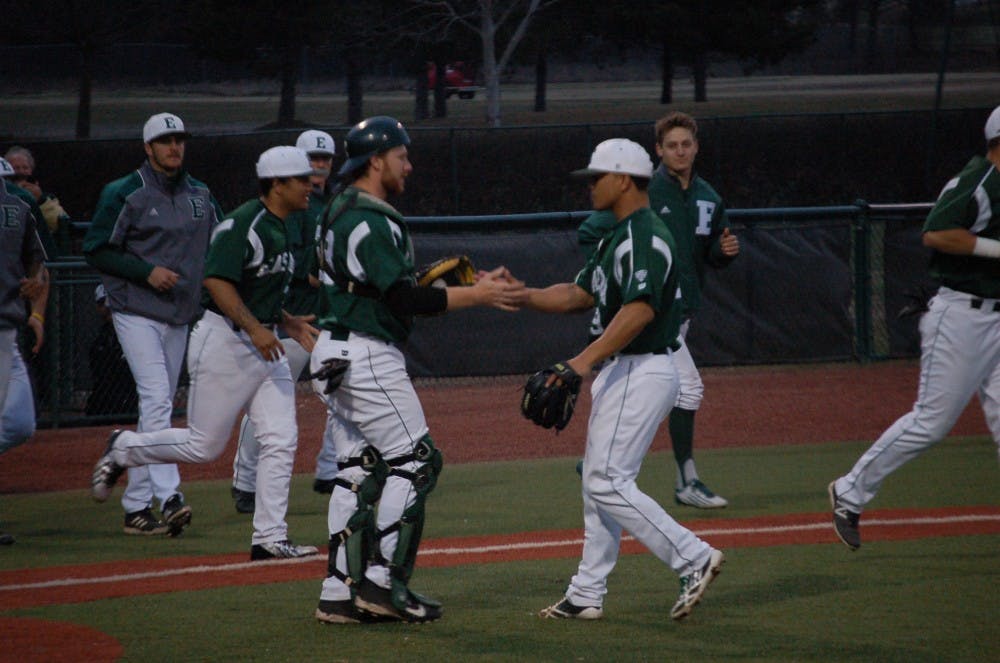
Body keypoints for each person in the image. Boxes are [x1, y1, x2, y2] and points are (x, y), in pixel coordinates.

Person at [310, 116, 524, 624]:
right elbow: (404, 297)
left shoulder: (337, 210)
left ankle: (338, 591)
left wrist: (444, 283)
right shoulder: (372, 216)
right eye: (402, 155)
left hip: (331, 348)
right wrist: (480, 294)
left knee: (357, 470)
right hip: (365, 352)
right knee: (417, 461)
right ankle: (383, 584)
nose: (409, 164)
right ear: (377, 160)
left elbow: (378, 285)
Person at [521, 138, 724, 622]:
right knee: (598, 485)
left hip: (644, 364)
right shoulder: (619, 235)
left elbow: (640, 309)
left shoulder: (645, 235)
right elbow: (577, 294)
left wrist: (581, 360)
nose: (590, 186)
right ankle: (587, 593)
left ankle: (693, 556)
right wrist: (518, 295)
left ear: (624, 180)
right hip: (625, 368)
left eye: (597, 177)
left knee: (606, 479)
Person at [90, 145, 322, 561]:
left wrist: (284, 321)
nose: (310, 185)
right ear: (277, 184)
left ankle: (269, 536)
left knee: (281, 439)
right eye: (301, 179)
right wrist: (255, 328)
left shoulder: (285, 223)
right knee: (203, 446)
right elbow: (217, 282)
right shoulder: (243, 225)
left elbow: (258, 287)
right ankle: (124, 447)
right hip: (227, 343)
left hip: (262, 341)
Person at [828, 104, 1000, 551]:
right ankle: (850, 490)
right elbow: (937, 232)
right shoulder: (978, 180)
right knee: (932, 422)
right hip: (962, 316)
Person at [578, 112, 739, 510]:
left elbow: (712, 249)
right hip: (656, 310)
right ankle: (686, 481)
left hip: (683, 311)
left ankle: (598, 459)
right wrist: (607, 263)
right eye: (672, 145)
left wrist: (722, 253)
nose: (680, 151)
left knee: (626, 383)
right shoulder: (651, 194)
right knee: (686, 388)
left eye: (686, 144)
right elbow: (592, 227)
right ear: (659, 151)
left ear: (696, 147)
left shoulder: (708, 197)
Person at [83, 113, 221, 537]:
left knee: (155, 407)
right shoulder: (126, 192)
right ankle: (171, 495)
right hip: (134, 307)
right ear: (148, 148)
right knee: (158, 395)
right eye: (164, 141)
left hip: (179, 312)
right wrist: (145, 272)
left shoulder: (200, 194)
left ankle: (136, 507)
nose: (173, 147)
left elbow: (220, 244)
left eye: (179, 139)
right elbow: (97, 249)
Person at [230, 129, 340, 515]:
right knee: (269, 401)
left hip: (326, 319)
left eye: (325, 159)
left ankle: (331, 471)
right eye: (312, 158)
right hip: (287, 319)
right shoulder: (287, 211)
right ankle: (245, 481)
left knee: (344, 391)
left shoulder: (330, 207)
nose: (319, 165)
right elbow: (295, 270)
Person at [0, 156, 50, 545]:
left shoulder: (18, 210)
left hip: (7, 329)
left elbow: (38, 263)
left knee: (19, 422)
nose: (13, 187)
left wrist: (35, 307)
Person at [86, 284, 139, 417]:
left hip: (131, 396)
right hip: (106, 397)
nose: (107, 307)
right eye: (102, 303)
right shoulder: (100, 339)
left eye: (110, 303)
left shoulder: (133, 333)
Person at [3, 145, 70, 239]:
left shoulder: (47, 198)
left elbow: (60, 223)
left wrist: (40, 200)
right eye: (16, 168)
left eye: (25, 168)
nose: (21, 172)